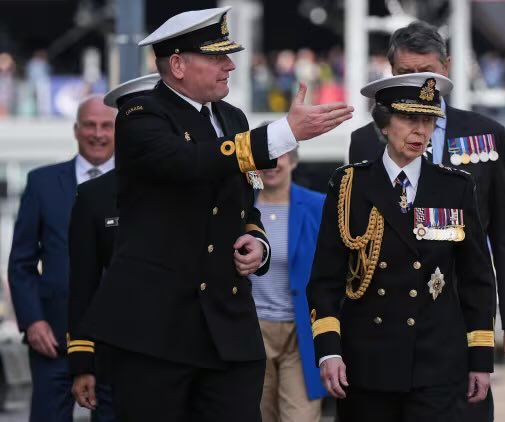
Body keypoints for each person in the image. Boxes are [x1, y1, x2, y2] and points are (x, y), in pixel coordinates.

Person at [79, 7, 353, 421]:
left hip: (227, 326)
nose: (230, 65)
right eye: (216, 57)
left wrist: (255, 240)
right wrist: (283, 134)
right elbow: (187, 161)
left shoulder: (232, 117)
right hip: (157, 328)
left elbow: (245, 199)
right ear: (177, 64)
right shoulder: (140, 115)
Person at [348, 22, 505, 420]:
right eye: (402, 73)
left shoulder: (486, 134)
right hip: (390, 315)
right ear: (388, 71)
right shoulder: (365, 141)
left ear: (446, 68)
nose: (415, 81)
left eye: (426, 71)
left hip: (463, 304)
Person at [308, 73, 496, 422]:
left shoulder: (454, 187)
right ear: (384, 123)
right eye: (410, 118)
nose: (420, 131)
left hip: (437, 362)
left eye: (428, 120)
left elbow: (477, 279)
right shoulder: (350, 185)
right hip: (366, 363)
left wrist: (481, 358)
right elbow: (325, 279)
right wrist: (328, 351)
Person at [8, 95, 116, 421]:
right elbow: (21, 263)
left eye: (107, 126)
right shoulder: (41, 183)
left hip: (117, 341)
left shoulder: (137, 186)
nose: (97, 133)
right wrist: (32, 321)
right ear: (75, 129)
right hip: (52, 340)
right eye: (89, 125)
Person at [68, 74, 160, 417]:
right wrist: (82, 361)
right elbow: (83, 286)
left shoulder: (195, 183)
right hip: (116, 358)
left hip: (186, 357)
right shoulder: (94, 196)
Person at [250, 147, 327, 422]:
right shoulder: (239, 206)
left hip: (301, 331)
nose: (270, 164)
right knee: (258, 415)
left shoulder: (319, 206)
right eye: (263, 157)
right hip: (252, 331)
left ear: (293, 161)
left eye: (279, 156)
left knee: (301, 417)